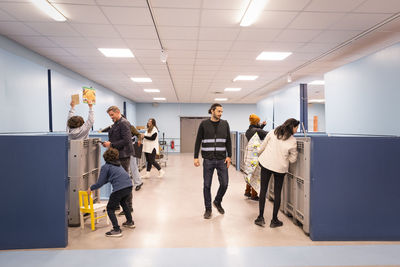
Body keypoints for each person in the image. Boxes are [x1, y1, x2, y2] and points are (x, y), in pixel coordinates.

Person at [254, 118, 299, 228]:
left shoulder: (272, 132)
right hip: (280, 168)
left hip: (266, 164)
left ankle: (260, 217)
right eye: (296, 128)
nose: (297, 130)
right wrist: (285, 156)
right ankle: (274, 220)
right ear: (292, 127)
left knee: (263, 190)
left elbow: (262, 147)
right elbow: (293, 159)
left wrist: (257, 155)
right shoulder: (293, 141)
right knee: (277, 193)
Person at [194, 103, 232, 219]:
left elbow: (228, 141)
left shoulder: (225, 124)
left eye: (221, 112)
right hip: (208, 160)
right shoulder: (204, 124)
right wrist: (196, 157)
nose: (220, 114)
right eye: (218, 111)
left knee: (224, 184)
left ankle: (217, 201)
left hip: (222, 159)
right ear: (212, 111)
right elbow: (198, 140)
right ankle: (208, 209)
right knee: (207, 185)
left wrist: (229, 156)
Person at [88, 148, 135, 237]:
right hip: (128, 186)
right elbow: (108, 179)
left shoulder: (106, 167)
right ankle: (130, 222)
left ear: (105, 157)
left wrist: (91, 188)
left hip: (120, 189)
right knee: (124, 203)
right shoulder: (118, 165)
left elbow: (100, 183)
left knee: (110, 209)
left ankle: (116, 229)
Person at [103, 106, 134, 215]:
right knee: (116, 180)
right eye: (110, 115)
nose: (111, 117)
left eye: (112, 115)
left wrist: (111, 144)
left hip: (123, 155)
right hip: (117, 155)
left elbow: (126, 140)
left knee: (124, 181)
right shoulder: (116, 123)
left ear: (118, 112)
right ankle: (117, 204)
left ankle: (128, 206)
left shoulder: (124, 123)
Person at [244, 114, 268, 201]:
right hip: (256, 155)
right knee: (256, 174)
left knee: (250, 173)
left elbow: (257, 131)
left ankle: (247, 191)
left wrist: (262, 125)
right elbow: (267, 134)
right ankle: (254, 195)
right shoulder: (257, 130)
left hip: (249, 155)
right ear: (257, 122)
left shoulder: (248, 131)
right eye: (259, 121)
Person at [129, 125, 143, 191]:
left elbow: (138, 134)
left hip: (131, 149)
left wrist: (139, 140)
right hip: (122, 150)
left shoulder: (130, 127)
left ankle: (138, 183)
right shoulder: (117, 127)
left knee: (133, 166)